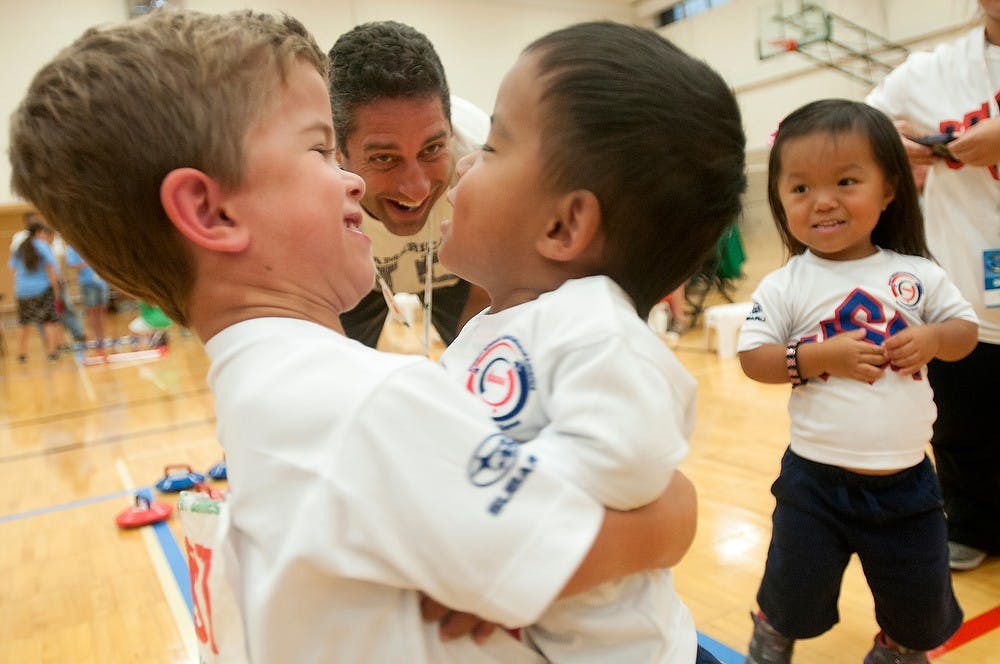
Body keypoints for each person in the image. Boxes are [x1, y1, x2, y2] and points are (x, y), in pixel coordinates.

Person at [9, 10, 699, 662]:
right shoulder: (372, 406)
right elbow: (588, 538)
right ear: (209, 211)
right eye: (320, 149)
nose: (349, 179)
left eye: (433, 151)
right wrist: (676, 507)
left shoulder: (262, 397)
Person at [436, 22, 746, 663]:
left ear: (564, 223)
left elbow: (624, 454)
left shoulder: (593, 324)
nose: (465, 164)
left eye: (492, 148)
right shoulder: (493, 332)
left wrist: (494, 543)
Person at [738, 99, 978, 664]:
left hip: (907, 483)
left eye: (846, 181)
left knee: (920, 602)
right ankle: (773, 634)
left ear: (889, 188)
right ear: (779, 197)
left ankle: (898, 648)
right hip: (814, 483)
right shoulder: (786, 284)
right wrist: (821, 356)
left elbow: (964, 332)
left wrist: (935, 340)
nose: (823, 200)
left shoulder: (917, 273)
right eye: (799, 189)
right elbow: (754, 358)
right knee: (792, 587)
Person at [865, 0, 1000, 572]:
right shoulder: (930, 73)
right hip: (968, 286)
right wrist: (889, 145)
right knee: (963, 418)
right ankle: (969, 524)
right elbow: (838, 129)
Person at [328, 21, 491, 349]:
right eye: (385, 158)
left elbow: (493, 284)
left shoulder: (483, 159)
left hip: (455, 273)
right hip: (358, 276)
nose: (416, 189)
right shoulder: (312, 177)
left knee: (481, 359)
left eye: (432, 149)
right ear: (339, 152)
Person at [7, 221, 62, 363]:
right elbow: (50, 269)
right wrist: (56, 290)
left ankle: (22, 355)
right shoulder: (42, 246)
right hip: (42, 289)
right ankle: (52, 353)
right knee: (48, 321)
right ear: (39, 232)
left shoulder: (19, 248)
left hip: (22, 290)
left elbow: (14, 269)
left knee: (23, 323)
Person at [65, 244, 109, 351]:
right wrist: (85, 264)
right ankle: (96, 338)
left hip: (101, 282)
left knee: (102, 309)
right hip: (88, 283)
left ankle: (102, 337)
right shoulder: (74, 246)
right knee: (92, 311)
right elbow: (71, 263)